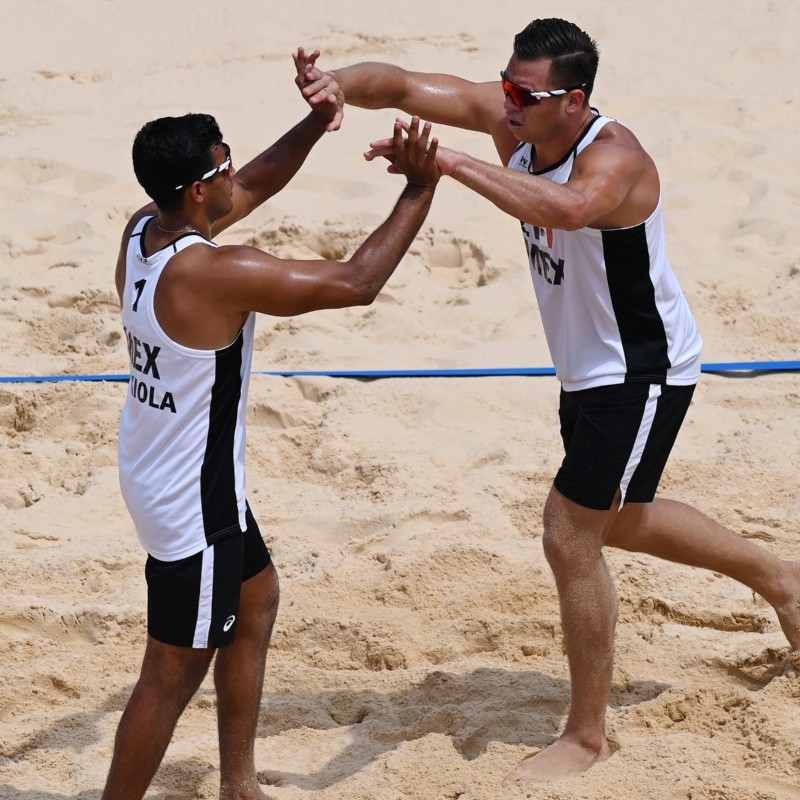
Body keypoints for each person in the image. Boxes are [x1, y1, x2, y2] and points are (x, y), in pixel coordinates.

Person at [293, 18, 800, 785]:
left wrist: (450, 161)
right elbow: (400, 85)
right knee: (619, 518)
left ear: (575, 100)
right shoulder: (520, 124)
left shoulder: (616, 160)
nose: (508, 103)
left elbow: (563, 210)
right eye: (506, 86)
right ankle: (783, 578)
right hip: (587, 369)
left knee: (569, 531)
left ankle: (587, 737)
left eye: (524, 93)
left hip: (642, 369)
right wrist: (338, 88)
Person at [105, 76, 440, 800]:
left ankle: (239, 785)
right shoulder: (216, 273)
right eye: (222, 166)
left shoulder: (145, 230)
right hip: (191, 502)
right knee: (170, 675)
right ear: (196, 190)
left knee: (255, 600)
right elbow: (357, 282)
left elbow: (255, 181)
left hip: (168, 471)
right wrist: (420, 186)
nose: (236, 172)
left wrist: (317, 122)